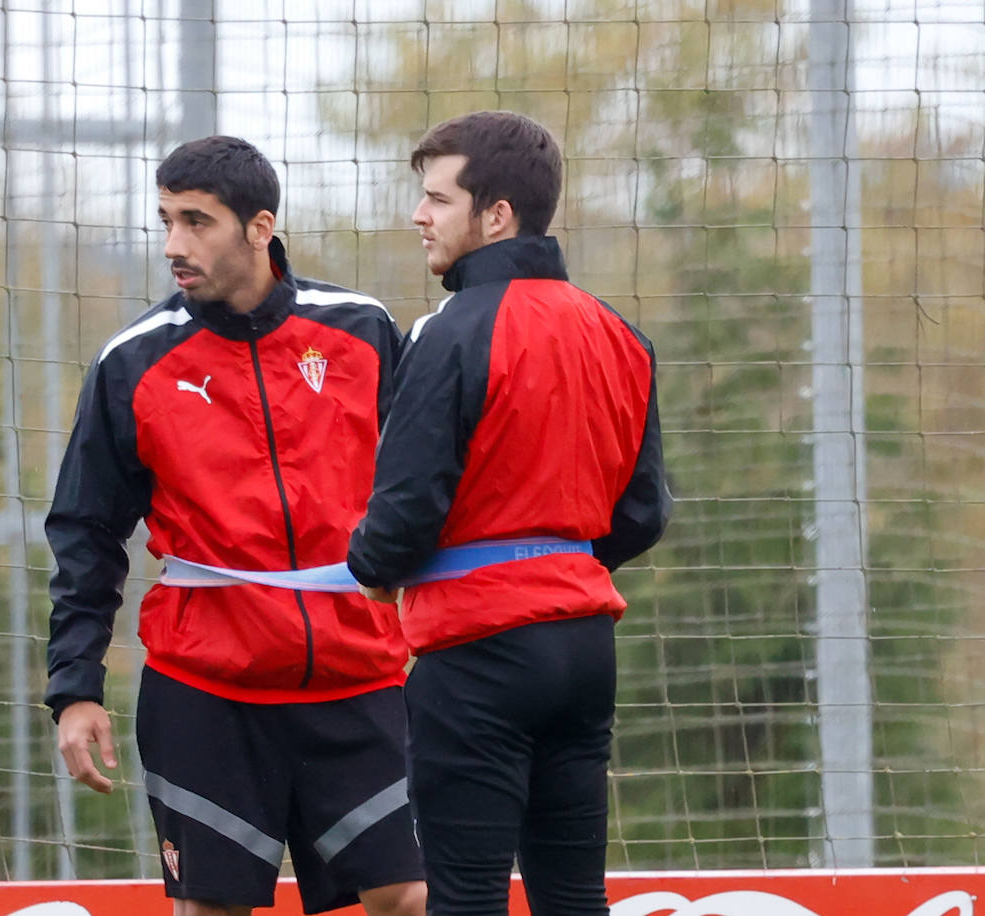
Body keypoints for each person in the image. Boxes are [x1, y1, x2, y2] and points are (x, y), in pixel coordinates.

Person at [44, 135, 426, 916]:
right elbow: (86, 530)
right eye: (166, 221)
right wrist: (74, 689)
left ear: (260, 227)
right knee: (209, 910)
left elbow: (425, 486)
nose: (174, 245)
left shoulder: (362, 329)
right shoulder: (132, 362)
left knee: (411, 896)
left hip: (360, 679)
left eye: (197, 222)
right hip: (206, 693)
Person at [347, 111, 671, 916]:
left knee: (466, 899)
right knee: (575, 898)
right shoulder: (620, 333)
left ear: (496, 215)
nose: (419, 215)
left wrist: (373, 567)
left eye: (437, 199)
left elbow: (405, 507)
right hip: (585, 651)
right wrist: (556, 560)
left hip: (476, 654)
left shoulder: (448, 331)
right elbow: (643, 511)